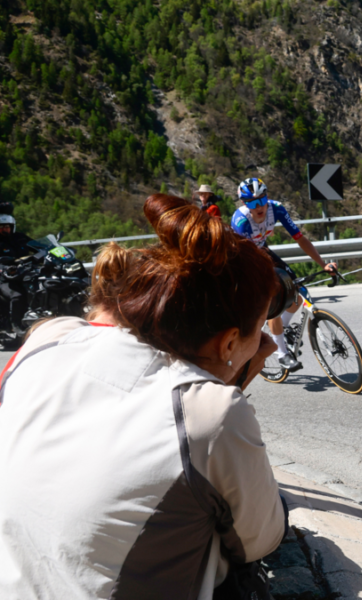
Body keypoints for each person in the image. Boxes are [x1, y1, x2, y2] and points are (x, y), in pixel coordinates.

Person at [0, 194, 286, 598]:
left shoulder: (51, 338)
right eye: (259, 329)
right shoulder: (208, 413)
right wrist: (229, 386)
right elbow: (260, 538)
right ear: (229, 344)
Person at [232, 177, 337, 371]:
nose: (259, 206)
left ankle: (283, 329)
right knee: (274, 298)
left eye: (262, 200)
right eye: (252, 203)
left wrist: (323, 264)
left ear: (267, 197)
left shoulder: (277, 209)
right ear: (244, 204)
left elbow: (300, 239)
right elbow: (245, 259)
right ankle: (282, 353)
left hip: (263, 250)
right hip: (245, 260)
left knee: (297, 291)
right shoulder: (241, 221)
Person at [0, 203, 35, 334]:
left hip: (26, 274)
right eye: (1, 227)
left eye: (7, 227)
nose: (4, 230)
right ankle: (16, 326)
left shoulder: (20, 237)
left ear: (12, 226)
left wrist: (54, 251)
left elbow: (38, 246)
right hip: (5, 279)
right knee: (18, 295)